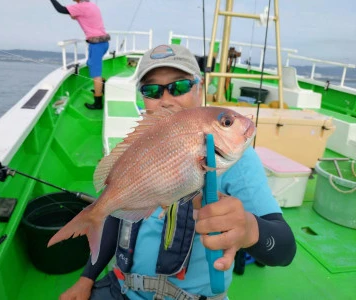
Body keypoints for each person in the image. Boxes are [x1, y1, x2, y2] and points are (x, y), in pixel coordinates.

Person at [60, 44, 296, 300]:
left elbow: (284, 249)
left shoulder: (239, 161)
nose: (166, 99)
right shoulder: (136, 148)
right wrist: (87, 278)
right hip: (121, 288)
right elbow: (117, 216)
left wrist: (251, 230)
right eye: (151, 90)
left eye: (180, 86)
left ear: (200, 87)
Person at [50, 0, 110, 110]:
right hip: (102, 43)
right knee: (91, 64)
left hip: (97, 44)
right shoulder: (91, 6)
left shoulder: (81, 7)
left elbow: (60, 9)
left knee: (96, 74)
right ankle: (102, 86)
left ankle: (98, 103)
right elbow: (76, 16)